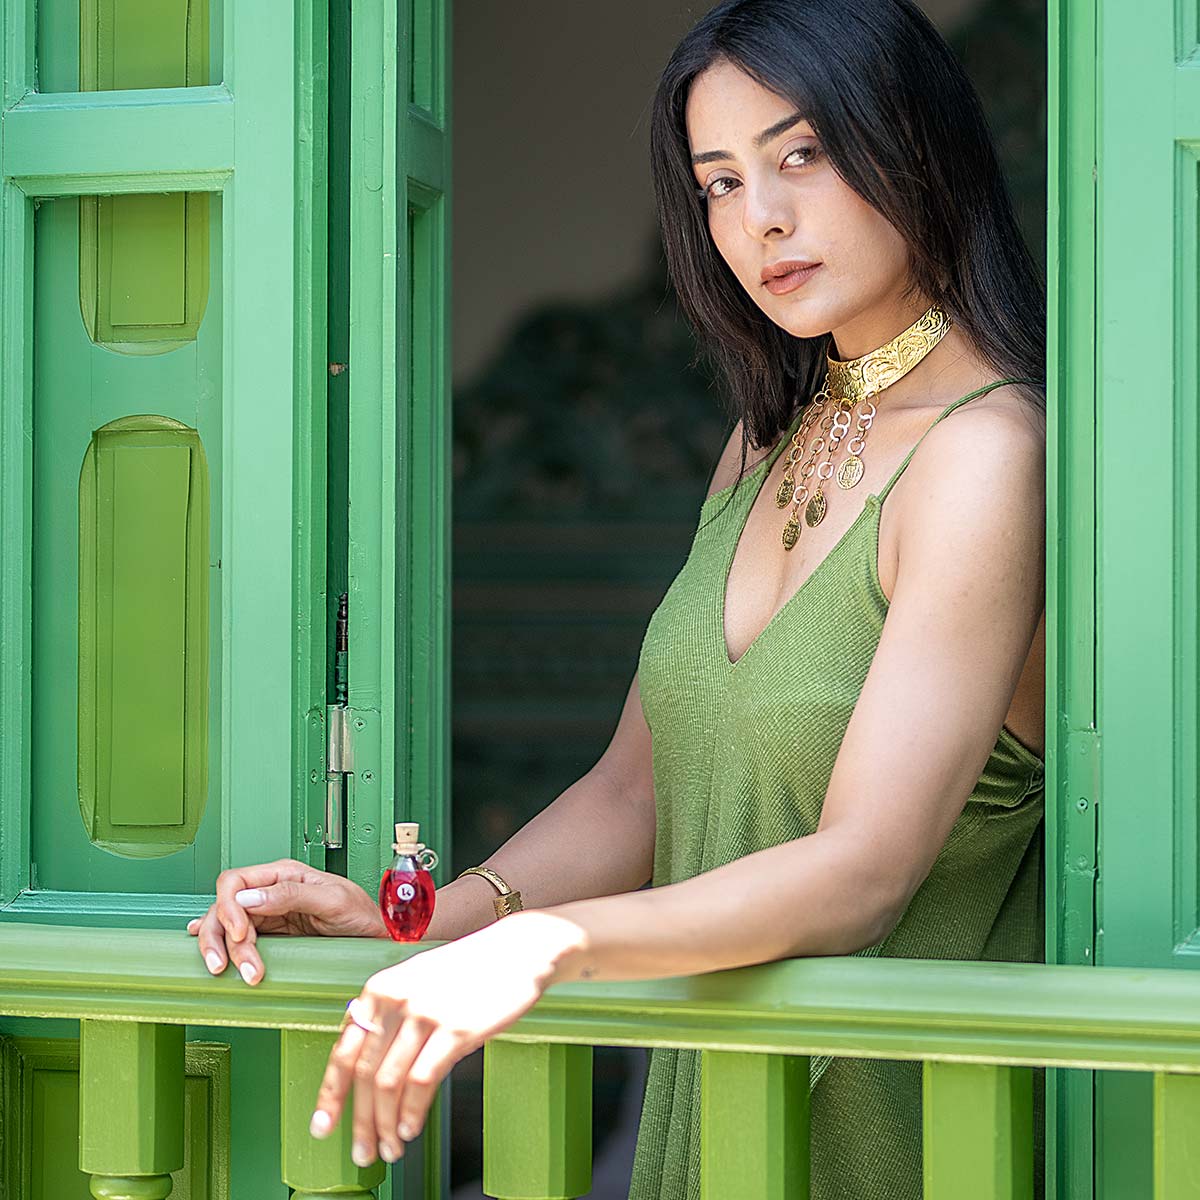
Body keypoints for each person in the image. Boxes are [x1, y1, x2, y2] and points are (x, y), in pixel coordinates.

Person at [187, 0, 1047, 1195]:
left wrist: (546, 949)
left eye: (802, 153)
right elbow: (631, 792)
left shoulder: (988, 454)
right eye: (719, 182)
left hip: (893, 1139)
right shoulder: (768, 440)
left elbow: (864, 870)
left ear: (915, 142)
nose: (761, 217)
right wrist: (424, 924)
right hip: (718, 1119)